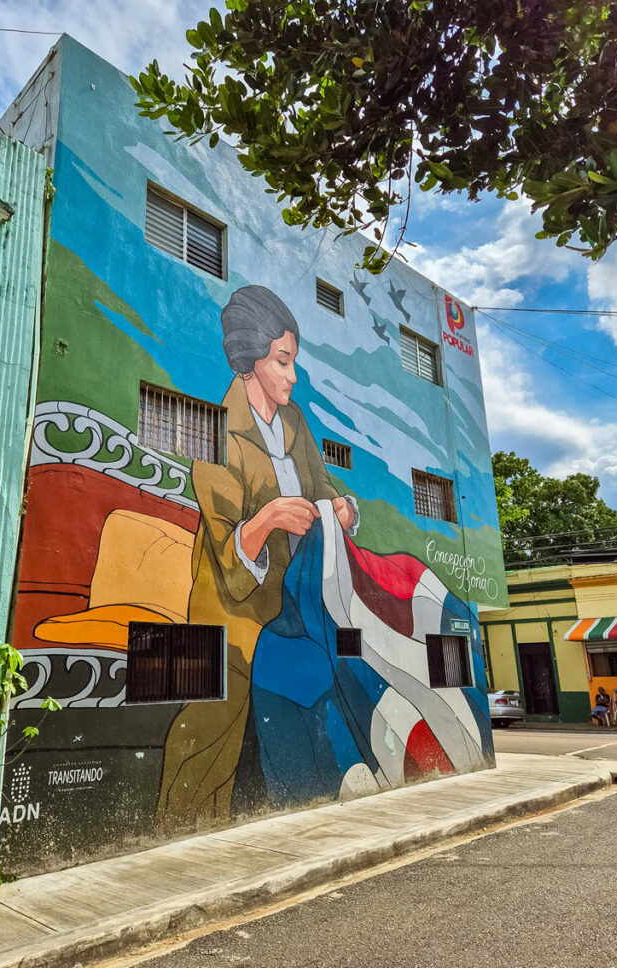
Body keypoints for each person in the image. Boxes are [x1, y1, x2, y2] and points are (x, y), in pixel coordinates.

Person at [156, 285, 358, 831]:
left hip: (293, 608)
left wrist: (343, 506)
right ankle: (180, 835)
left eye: (294, 363)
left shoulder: (294, 425)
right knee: (212, 732)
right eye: (283, 362)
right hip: (229, 615)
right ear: (251, 362)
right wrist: (268, 518)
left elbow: (324, 483)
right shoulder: (216, 428)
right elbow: (227, 548)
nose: (293, 376)